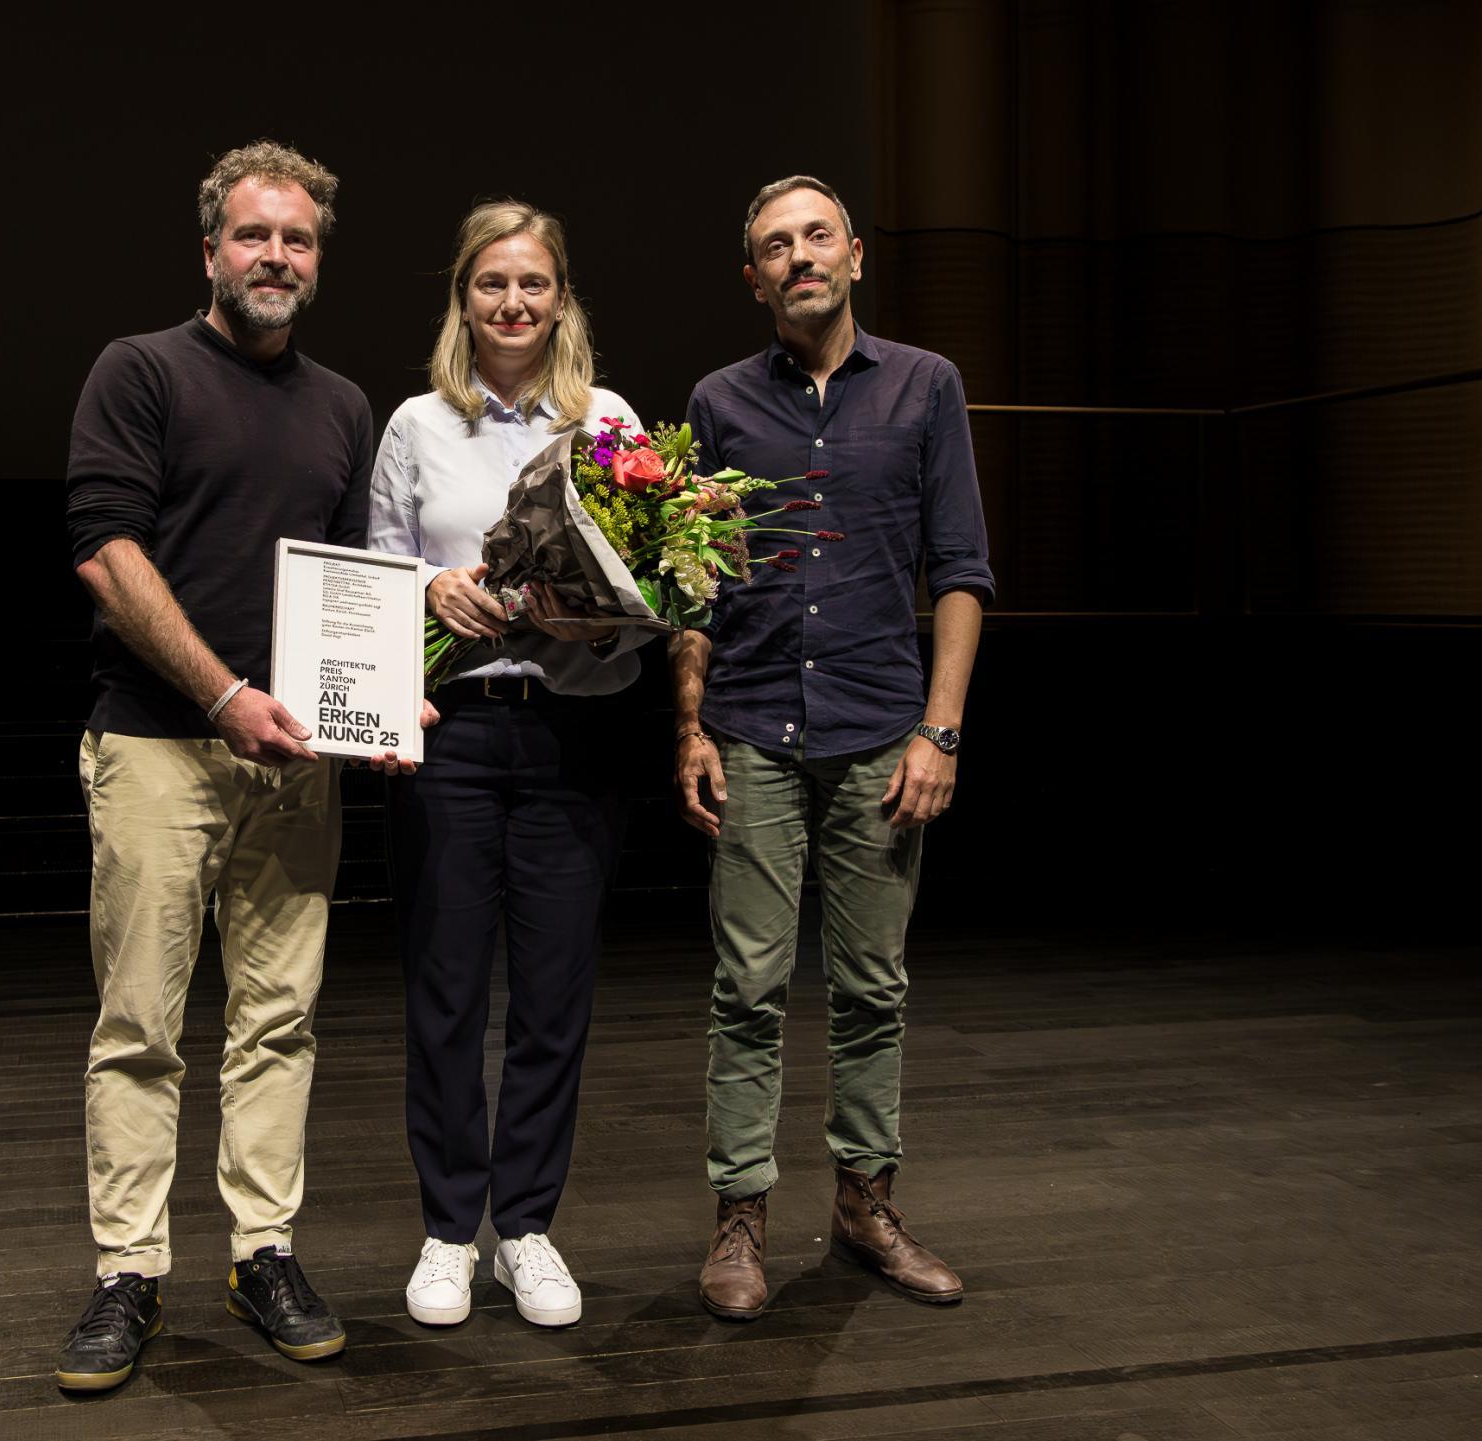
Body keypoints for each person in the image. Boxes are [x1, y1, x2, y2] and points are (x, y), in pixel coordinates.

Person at [54, 141, 370, 1392]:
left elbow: (355, 599)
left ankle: (263, 1249)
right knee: (139, 1022)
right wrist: (226, 694)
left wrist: (379, 710)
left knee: (278, 1020)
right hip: (156, 745)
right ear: (210, 250)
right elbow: (104, 552)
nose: (275, 258)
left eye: (297, 241)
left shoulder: (343, 405)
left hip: (294, 763)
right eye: (255, 236)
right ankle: (128, 1271)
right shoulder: (139, 371)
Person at [673, 175, 994, 1321]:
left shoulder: (925, 388)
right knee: (747, 985)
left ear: (855, 254)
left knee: (871, 987)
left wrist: (939, 729)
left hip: (878, 732)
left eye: (817, 237)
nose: (799, 257)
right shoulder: (718, 401)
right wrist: (690, 724)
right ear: (750, 275)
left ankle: (865, 1206)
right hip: (753, 727)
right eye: (775, 245)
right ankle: (741, 1219)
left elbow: (958, 571)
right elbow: (692, 585)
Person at [369, 201, 650, 1330]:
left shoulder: (614, 424)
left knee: (551, 996)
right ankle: (449, 1230)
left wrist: (601, 619)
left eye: (534, 283)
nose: (514, 303)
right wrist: (427, 590)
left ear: (562, 297)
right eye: (493, 284)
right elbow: (372, 577)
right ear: (464, 298)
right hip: (454, 734)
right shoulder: (413, 425)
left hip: (578, 734)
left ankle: (525, 1226)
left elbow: (653, 597)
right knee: (443, 992)